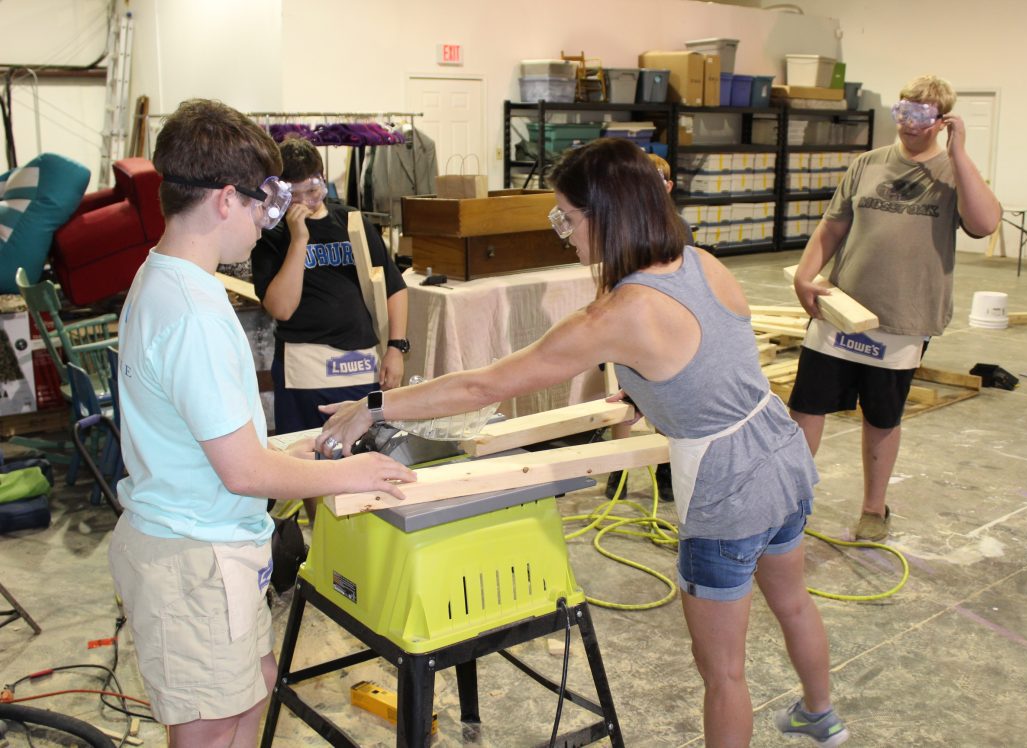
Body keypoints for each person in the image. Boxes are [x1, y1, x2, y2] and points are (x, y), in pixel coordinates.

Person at [315, 138, 848, 747]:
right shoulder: (702, 262)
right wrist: (656, 392)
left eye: (567, 217)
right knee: (795, 603)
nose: (564, 232)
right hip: (781, 454)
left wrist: (374, 405)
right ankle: (820, 712)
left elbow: (483, 385)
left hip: (728, 488)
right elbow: (715, 362)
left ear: (609, 214)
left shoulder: (620, 313)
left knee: (723, 672)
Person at [107, 99, 415, 748]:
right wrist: (348, 473)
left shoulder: (164, 279)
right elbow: (244, 472)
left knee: (249, 702)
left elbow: (211, 438)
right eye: (262, 206)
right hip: (193, 557)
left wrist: (299, 448)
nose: (266, 223)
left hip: (207, 542)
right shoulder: (194, 309)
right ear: (225, 199)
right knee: (217, 729)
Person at [787, 74, 1001, 541]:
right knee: (806, 409)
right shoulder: (868, 164)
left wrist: (959, 151)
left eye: (922, 115)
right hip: (840, 309)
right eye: (904, 111)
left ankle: (873, 509)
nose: (910, 123)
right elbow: (832, 226)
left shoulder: (952, 172)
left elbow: (985, 225)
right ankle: (789, 503)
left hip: (903, 319)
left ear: (942, 119)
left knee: (882, 416)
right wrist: (806, 276)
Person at [251, 135, 409, 521]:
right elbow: (281, 308)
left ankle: (361, 540)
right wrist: (299, 239)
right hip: (305, 370)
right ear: (283, 192)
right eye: (301, 191)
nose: (312, 197)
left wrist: (395, 347)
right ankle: (321, 540)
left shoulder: (351, 221)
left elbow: (393, 286)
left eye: (316, 185)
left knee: (367, 458)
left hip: (359, 365)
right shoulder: (271, 236)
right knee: (312, 464)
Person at [602, 152, 690, 502]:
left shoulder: (678, 229)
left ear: (668, 187)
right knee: (625, 396)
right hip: (629, 327)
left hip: (664, 329)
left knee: (664, 398)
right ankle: (618, 467)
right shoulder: (620, 228)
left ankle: (666, 467)